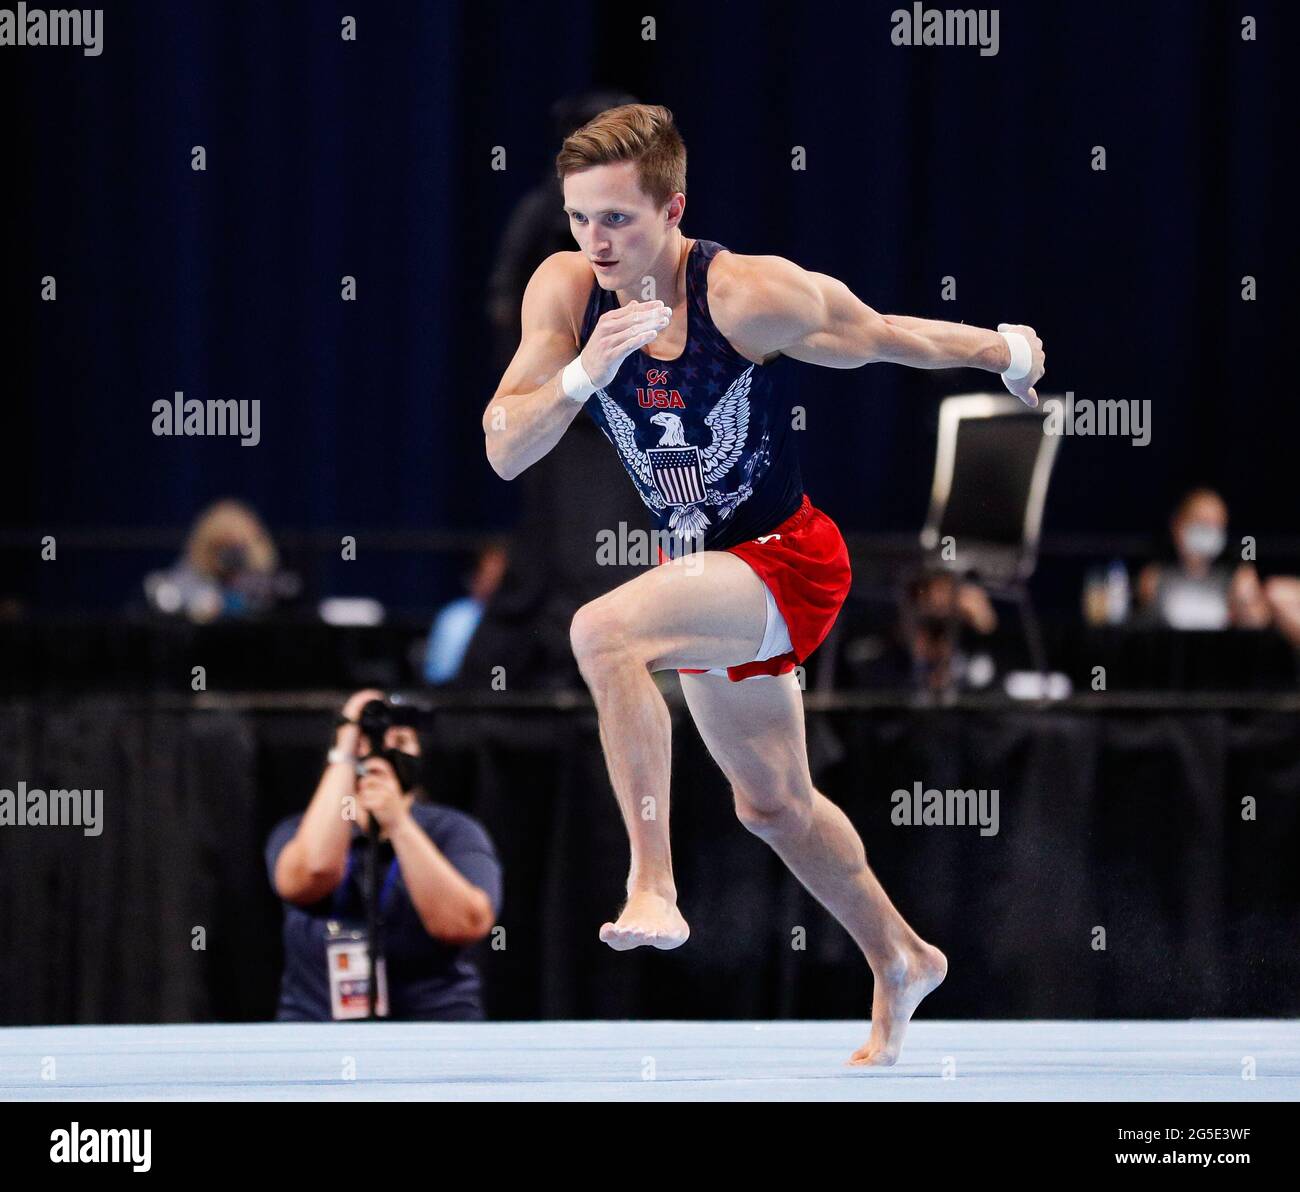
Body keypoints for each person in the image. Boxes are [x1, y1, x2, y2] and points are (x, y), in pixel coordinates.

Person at [481, 104, 1045, 1065]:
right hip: (701, 569)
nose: (596, 241)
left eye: (617, 218)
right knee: (772, 804)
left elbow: (877, 333)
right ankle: (903, 955)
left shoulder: (747, 296)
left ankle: (652, 881)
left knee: (603, 632)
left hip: (788, 557)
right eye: (580, 218)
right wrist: (584, 372)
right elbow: (502, 448)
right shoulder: (569, 294)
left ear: (673, 209)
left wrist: (1003, 349)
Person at [265, 688, 502, 1021]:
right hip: (316, 1030)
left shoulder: (454, 831)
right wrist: (347, 747)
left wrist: (398, 823)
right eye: (368, 742)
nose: (381, 753)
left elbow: (464, 924)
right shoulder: (299, 830)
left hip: (434, 1029)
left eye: (401, 742)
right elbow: (311, 875)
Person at [1135, 488, 1269, 631]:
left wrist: (1247, 598)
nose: (1209, 531)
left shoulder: (1234, 580)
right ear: (1178, 524)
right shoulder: (1154, 577)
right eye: (1202, 522)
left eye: (1217, 524)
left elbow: (1258, 624)